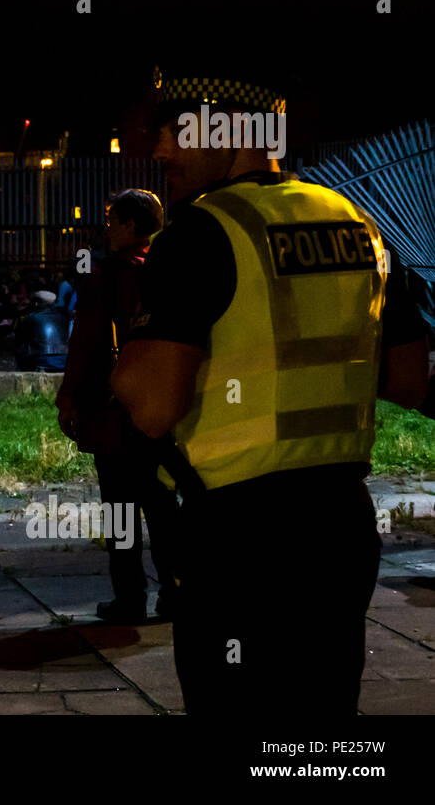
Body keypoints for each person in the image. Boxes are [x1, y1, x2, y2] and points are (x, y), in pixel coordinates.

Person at [111, 64, 429, 716]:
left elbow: (151, 406)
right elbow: (409, 378)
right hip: (340, 528)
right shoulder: (359, 225)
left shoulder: (201, 231)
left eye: (176, 128)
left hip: (239, 540)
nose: (161, 149)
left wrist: (121, 372)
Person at [57, 188, 179, 623]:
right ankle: (176, 592)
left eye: (112, 219)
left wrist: (68, 397)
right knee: (163, 504)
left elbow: (86, 341)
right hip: (163, 406)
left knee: (122, 509)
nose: (107, 227)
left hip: (114, 409)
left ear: (130, 225)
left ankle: (129, 598)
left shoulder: (108, 275)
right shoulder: (170, 272)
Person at [13, 290, 68, 370]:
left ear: (36, 303)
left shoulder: (31, 318)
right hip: (63, 360)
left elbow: (21, 339)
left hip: (42, 361)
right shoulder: (63, 318)